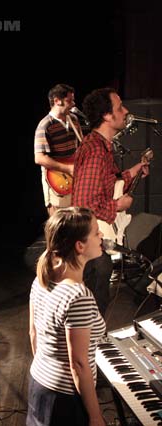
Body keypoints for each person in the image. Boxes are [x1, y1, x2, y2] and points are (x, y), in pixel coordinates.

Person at [27, 206, 107, 426]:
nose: (102, 238)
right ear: (79, 245)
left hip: (42, 383)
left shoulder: (42, 280)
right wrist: (95, 414)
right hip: (66, 394)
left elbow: (32, 334)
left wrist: (47, 368)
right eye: (96, 234)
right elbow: (79, 365)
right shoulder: (79, 297)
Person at [72, 87, 149, 316]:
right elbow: (85, 205)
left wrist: (132, 173)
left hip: (94, 244)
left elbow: (107, 185)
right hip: (91, 248)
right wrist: (118, 206)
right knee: (92, 314)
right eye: (120, 107)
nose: (125, 111)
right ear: (107, 115)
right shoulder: (96, 151)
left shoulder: (101, 147)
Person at [34, 83, 83, 216]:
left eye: (73, 99)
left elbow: (80, 147)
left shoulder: (74, 120)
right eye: (69, 100)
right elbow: (39, 158)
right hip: (57, 180)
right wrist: (67, 169)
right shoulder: (45, 125)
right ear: (57, 101)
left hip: (74, 179)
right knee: (60, 223)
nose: (73, 104)